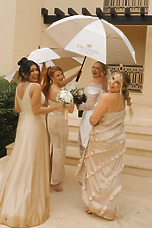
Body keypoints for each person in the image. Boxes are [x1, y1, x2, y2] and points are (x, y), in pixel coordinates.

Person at [0, 57, 64, 228]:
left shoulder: (19, 87)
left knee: (23, 161)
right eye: (32, 70)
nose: (36, 73)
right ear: (24, 73)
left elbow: (18, 109)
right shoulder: (36, 86)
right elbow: (37, 110)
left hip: (24, 126)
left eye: (36, 69)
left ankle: (13, 200)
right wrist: (55, 107)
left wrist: (39, 104)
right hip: (35, 127)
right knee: (32, 162)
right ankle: (28, 204)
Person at [76, 72, 132, 220]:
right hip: (116, 141)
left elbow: (93, 120)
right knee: (110, 174)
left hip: (102, 142)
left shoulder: (106, 97)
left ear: (122, 87)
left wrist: (95, 112)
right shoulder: (122, 99)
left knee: (98, 173)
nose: (112, 83)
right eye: (113, 78)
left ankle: (94, 205)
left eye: (117, 83)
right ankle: (108, 206)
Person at [42, 66, 80, 192]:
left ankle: (52, 175)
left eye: (62, 74)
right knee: (59, 150)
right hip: (59, 121)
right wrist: (72, 98)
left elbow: (63, 83)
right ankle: (55, 181)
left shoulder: (51, 87)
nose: (61, 77)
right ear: (52, 77)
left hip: (52, 119)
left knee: (55, 148)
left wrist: (75, 74)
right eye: (58, 75)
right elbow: (70, 110)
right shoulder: (58, 92)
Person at [77, 61, 108, 156]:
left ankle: (86, 168)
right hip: (100, 115)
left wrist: (80, 106)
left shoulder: (94, 82)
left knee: (85, 143)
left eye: (98, 68)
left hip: (90, 116)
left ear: (103, 71)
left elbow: (90, 104)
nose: (94, 70)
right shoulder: (105, 80)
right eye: (93, 67)